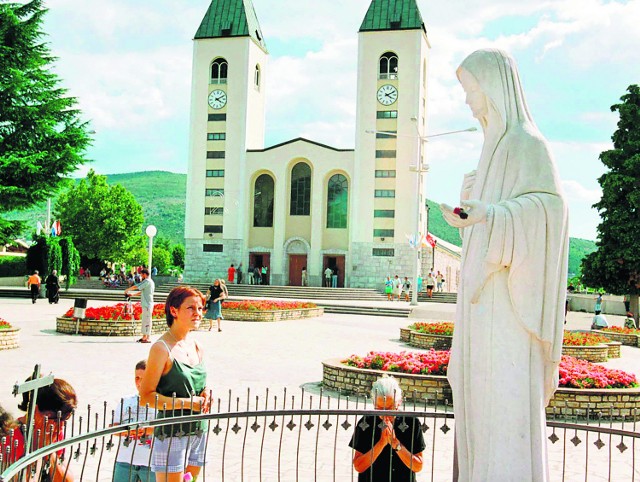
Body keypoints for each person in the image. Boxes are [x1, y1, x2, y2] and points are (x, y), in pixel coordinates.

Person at [439, 49, 568, 481]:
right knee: (481, 405)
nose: (467, 101)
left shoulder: (527, 143)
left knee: (505, 404)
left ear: (493, 89)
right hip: (482, 309)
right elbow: (486, 229)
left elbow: (550, 212)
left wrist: (491, 215)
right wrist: (468, 218)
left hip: (510, 313)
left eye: (471, 90)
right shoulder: (490, 151)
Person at [139, 286, 211, 482]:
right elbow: (145, 397)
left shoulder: (197, 346)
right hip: (172, 433)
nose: (197, 313)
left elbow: (199, 385)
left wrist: (206, 394)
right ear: (173, 311)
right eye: (191, 308)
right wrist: (188, 403)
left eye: (200, 308)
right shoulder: (161, 349)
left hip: (199, 429)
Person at [349, 375, 425, 481]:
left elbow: (418, 466)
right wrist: (381, 444)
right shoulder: (366, 423)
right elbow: (358, 466)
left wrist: (395, 444)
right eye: (379, 409)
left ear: (399, 403)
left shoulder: (411, 422)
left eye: (390, 409)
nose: (385, 414)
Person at [6, 377, 78, 481]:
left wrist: (49, 452)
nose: (61, 426)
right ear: (35, 411)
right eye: (55, 418)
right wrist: (38, 451)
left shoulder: (53, 432)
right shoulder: (11, 437)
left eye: (64, 419)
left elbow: (66, 480)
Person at [112, 360, 157, 482]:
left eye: (144, 378)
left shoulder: (160, 403)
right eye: (137, 378)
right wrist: (127, 431)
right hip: (125, 460)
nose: (139, 382)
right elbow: (113, 428)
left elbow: (166, 428)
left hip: (151, 463)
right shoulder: (126, 401)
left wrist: (146, 430)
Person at [125, 268, 155, 344]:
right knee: (145, 320)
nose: (141, 276)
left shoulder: (147, 281)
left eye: (142, 274)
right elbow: (142, 291)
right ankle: (144, 336)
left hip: (147, 304)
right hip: (146, 304)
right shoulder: (150, 281)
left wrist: (127, 290)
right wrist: (132, 294)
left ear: (145, 274)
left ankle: (147, 337)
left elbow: (136, 286)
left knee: (147, 321)